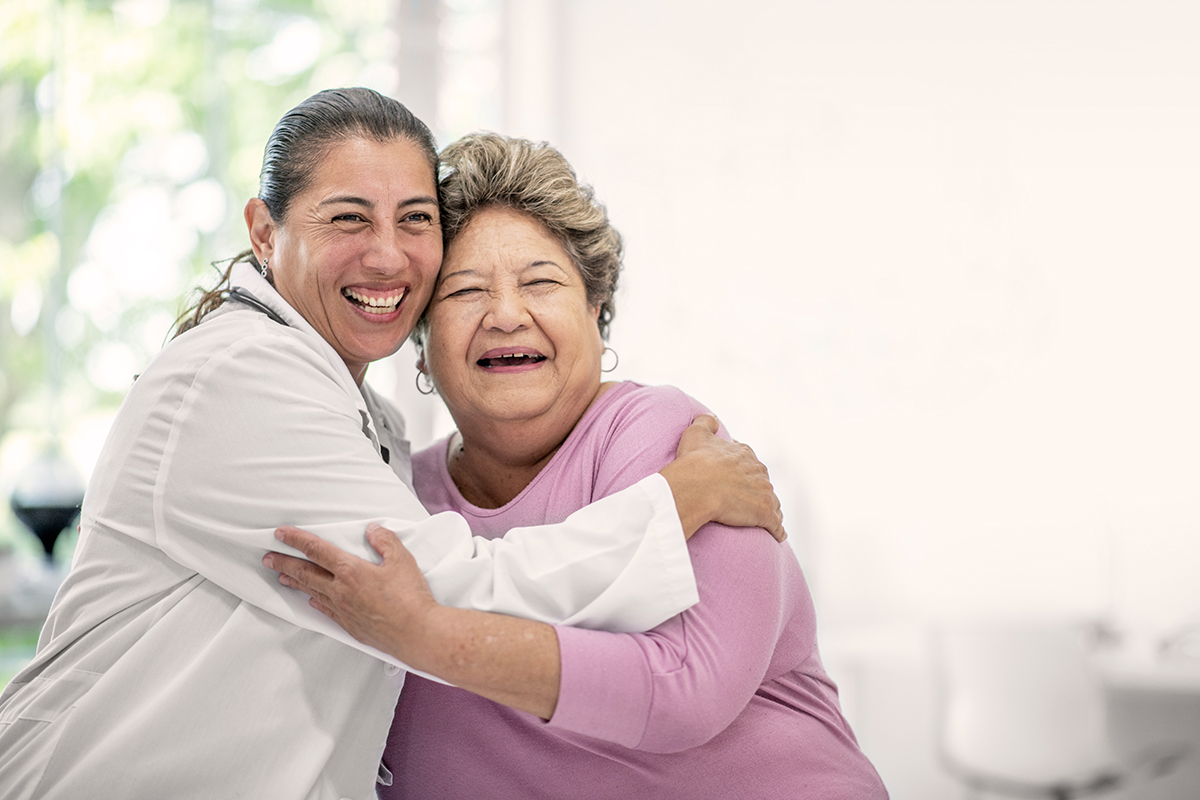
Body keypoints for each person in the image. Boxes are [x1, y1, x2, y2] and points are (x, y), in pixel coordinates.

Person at [0, 89, 786, 800]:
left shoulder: (378, 426)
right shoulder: (241, 375)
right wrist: (676, 501)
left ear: (597, 306)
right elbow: (444, 592)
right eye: (348, 217)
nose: (386, 254)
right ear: (265, 233)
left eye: (414, 219)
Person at [267, 133, 889, 798]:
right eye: (464, 292)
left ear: (596, 310)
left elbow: (686, 687)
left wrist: (429, 636)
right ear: (419, 344)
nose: (506, 315)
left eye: (540, 283)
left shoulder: (669, 442)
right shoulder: (392, 493)